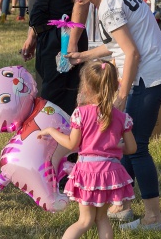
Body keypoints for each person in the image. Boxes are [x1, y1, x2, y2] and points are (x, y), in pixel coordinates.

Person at [60, 0, 161, 231]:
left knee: (137, 146)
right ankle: (121, 205)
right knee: (120, 141)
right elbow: (118, 45)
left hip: (149, 78)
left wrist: (122, 95)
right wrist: (82, 55)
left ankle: (153, 217)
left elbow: (132, 52)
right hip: (152, 74)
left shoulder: (108, 7)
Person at [37, 60, 137, 239]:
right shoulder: (122, 117)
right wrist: (112, 148)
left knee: (84, 221)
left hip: (87, 172)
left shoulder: (80, 113)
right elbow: (131, 148)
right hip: (110, 173)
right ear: (115, 85)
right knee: (102, 219)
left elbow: (71, 145)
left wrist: (52, 131)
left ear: (86, 87)